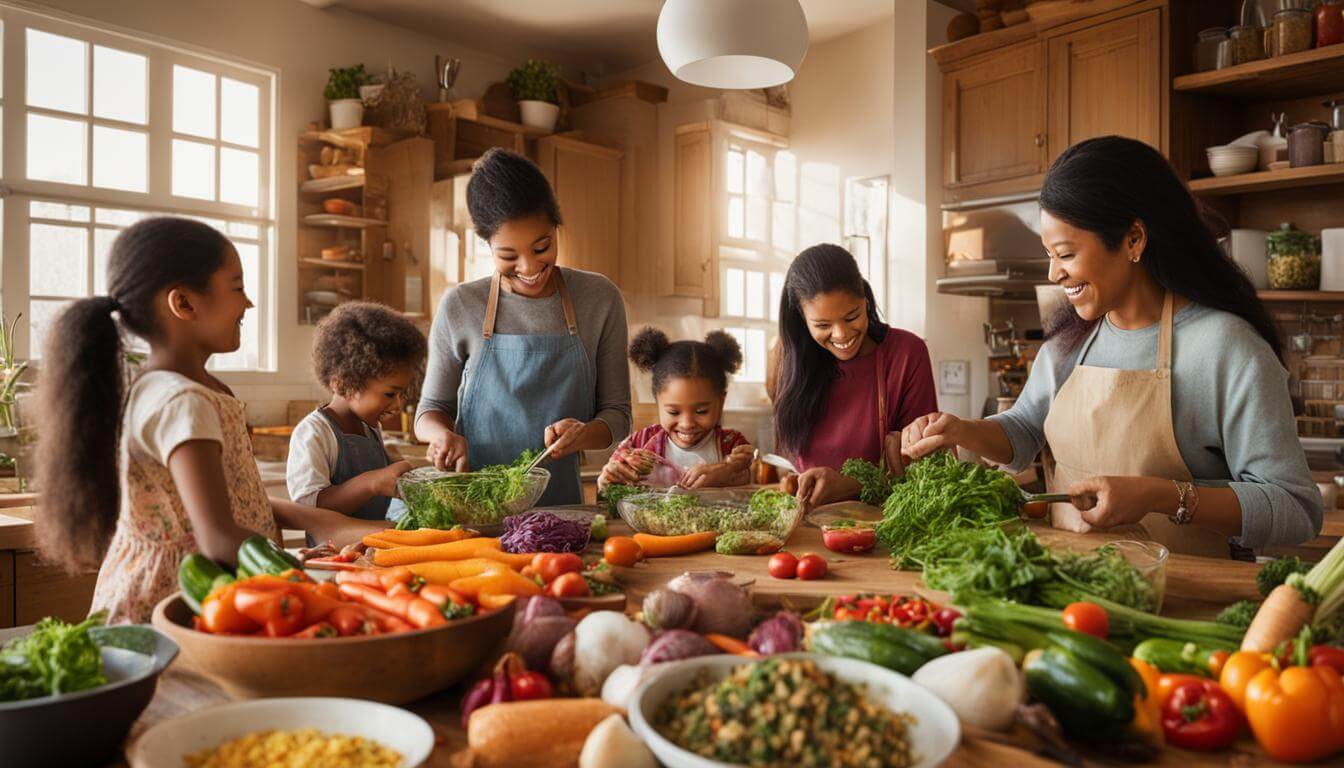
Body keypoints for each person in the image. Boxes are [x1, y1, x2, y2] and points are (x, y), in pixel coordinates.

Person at [901, 135, 1321, 558]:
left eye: (1065, 254)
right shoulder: (1069, 343)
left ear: (1134, 239)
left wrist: (1160, 496)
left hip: (1187, 603)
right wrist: (962, 430)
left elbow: (1295, 507)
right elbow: (1025, 430)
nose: (1053, 273)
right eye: (1049, 254)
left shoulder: (1227, 349)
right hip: (1070, 592)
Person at [33, 217, 382, 623]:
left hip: (213, 592)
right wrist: (314, 583)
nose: (248, 303)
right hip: (173, 608)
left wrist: (325, 523)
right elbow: (217, 539)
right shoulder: (181, 401)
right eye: (237, 287)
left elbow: (228, 500)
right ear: (183, 303)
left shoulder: (196, 389)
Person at [415, 148, 631, 505]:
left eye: (542, 246)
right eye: (508, 256)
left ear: (557, 227)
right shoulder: (461, 306)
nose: (529, 267)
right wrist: (441, 436)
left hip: (559, 508)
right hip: (473, 505)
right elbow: (429, 411)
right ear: (487, 245)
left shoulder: (600, 299)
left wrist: (584, 433)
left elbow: (617, 417)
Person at [771, 243, 938, 508]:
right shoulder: (786, 360)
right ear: (801, 320)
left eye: (851, 317)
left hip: (885, 521)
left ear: (866, 301)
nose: (841, 335)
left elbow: (927, 467)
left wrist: (852, 485)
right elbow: (787, 459)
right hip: (809, 524)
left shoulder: (907, 354)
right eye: (822, 325)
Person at [287, 302, 425, 530]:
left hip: (372, 547)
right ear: (344, 384)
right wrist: (371, 483)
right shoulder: (315, 433)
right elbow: (308, 508)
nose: (398, 404)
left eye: (402, 394)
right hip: (332, 553)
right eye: (390, 393)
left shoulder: (369, 428)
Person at [599, 328, 754, 492]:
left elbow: (756, 484)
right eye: (673, 412)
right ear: (657, 401)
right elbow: (607, 496)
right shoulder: (638, 445)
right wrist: (606, 481)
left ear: (721, 402)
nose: (687, 424)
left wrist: (726, 470)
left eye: (701, 411)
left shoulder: (733, 446)